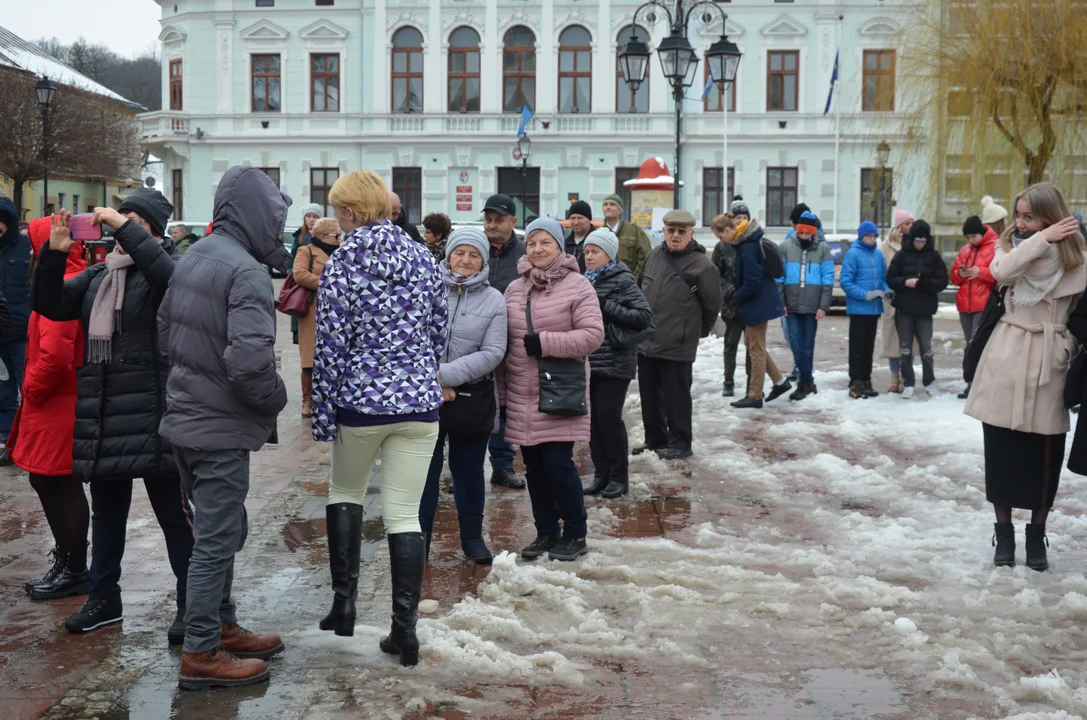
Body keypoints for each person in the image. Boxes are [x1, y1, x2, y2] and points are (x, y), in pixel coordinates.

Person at [33, 192, 195, 645]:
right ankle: (104, 599)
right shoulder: (99, 276)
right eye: (119, 220)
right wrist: (54, 253)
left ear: (156, 231)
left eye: (135, 221)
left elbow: (169, 278)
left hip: (156, 417)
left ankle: (192, 603)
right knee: (107, 516)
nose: (120, 228)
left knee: (175, 516)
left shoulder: (168, 271)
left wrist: (123, 228)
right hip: (104, 418)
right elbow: (49, 303)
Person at [158, 166, 291, 689]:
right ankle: (202, 651)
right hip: (217, 428)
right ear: (259, 215)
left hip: (187, 420)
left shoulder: (195, 255)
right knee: (216, 539)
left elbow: (166, 333)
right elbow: (251, 364)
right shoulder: (247, 272)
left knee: (222, 527)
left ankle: (222, 625)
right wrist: (278, 399)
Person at [312, 170, 447, 667]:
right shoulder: (420, 253)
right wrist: (420, 372)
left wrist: (324, 412)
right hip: (419, 404)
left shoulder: (345, 256)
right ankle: (404, 631)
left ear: (349, 212)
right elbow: (439, 326)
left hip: (361, 403)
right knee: (405, 514)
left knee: (346, 493)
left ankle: (344, 605)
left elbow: (331, 343)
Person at [965, 183, 1085, 571]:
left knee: (1045, 454)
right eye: (1018, 215)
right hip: (1007, 354)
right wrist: (1040, 239)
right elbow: (1000, 271)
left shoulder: (1079, 258)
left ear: (1051, 216)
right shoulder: (1009, 249)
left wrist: (1069, 346)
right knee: (999, 448)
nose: (1020, 223)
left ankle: (1037, 535)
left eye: (1029, 216)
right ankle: (1004, 533)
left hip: (1050, 356)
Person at [502, 217, 603, 560]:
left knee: (558, 464)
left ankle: (576, 532)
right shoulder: (515, 289)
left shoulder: (578, 286)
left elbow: (592, 336)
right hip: (520, 391)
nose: (537, 249)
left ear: (560, 246)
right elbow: (504, 343)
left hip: (559, 391)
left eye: (545, 242)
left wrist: (545, 342)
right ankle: (546, 531)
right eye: (531, 243)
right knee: (532, 467)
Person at [419, 227, 507, 564]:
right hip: (425, 395)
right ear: (448, 255)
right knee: (424, 470)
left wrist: (445, 376)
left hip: (472, 396)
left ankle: (471, 538)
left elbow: (493, 352)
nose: (465, 260)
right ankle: (420, 539)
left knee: (468, 471)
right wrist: (433, 381)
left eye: (473, 254)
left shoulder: (494, 300)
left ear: (483, 259)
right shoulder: (427, 289)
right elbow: (412, 338)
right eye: (459, 252)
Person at [10, 216, 85, 601]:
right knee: (47, 480)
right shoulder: (66, 273)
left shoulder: (63, 279)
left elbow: (56, 355)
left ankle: (73, 568)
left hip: (56, 402)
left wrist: (32, 388)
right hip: (53, 400)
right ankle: (67, 563)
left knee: (58, 481)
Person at [636, 210, 721, 457]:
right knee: (649, 396)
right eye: (670, 230)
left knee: (676, 398)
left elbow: (712, 306)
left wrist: (692, 332)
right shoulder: (653, 256)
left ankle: (681, 443)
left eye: (681, 231)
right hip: (648, 341)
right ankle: (655, 438)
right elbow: (641, 288)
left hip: (678, 343)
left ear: (691, 233)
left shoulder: (702, 265)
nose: (675, 236)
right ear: (663, 232)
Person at [583, 227, 652, 496]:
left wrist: (605, 305)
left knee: (608, 417)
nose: (589, 256)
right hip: (589, 359)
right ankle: (600, 475)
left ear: (609, 255)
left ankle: (619, 478)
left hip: (615, 360)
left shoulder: (622, 279)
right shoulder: (584, 279)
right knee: (593, 421)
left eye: (595, 251)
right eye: (587, 251)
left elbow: (643, 315)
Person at [481, 194, 527, 490]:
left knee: (506, 406)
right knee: (471, 408)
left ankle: (503, 465)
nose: (492, 225)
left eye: (499, 220)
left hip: (511, 340)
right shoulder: (474, 248)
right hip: (473, 342)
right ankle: (467, 467)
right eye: (488, 219)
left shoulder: (524, 254)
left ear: (513, 221)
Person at [731, 215, 791, 408]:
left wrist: (736, 297)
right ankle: (780, 382)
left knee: (755, 348)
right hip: (759, 302)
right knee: (753, 344)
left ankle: (755, 395)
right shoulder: (749, 243)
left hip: (757, 304)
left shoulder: (748, 247)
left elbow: (753, 281)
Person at [886, 220, 949, 398]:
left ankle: (929, 382)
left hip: (925, 310)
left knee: (927, 349)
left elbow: (943, 281)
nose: (920, 244)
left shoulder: (934, 256)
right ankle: (908, 383)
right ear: (911, 238)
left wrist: (927, 284)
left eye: (923, 240)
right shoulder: (901, 256)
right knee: (905, 349)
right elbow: (890, 278)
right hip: (904, 309)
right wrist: (905, 282)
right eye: (917, 240)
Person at [777, 210, 833, 401]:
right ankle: (807, 381)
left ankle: (805, 383)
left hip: (811, 306)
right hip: (791, 306)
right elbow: (779, 278)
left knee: (808, 346)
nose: (804, 237)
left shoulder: (823, 249)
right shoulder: (785, 247)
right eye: (801, 233)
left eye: (807, 233)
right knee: (796, 344)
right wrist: (781, 303)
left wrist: (823, 306)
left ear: (813, 232)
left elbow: (827, 278)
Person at [840, 221, 892, 399]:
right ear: (861, 236)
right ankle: (855, 382)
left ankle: (866, 380)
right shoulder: (852, 254)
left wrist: (886, 291)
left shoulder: (878, 254)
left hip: (874, 309)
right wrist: (866, 295)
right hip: (858, 308)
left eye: (874, 236)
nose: (871, 239)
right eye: (868, 236)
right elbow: (846, 282)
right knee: (857, 348)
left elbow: (883, 279)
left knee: (868, 347)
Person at [293, 217, 339, 418]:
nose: (339, 238)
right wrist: (328, 283)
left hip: (337, 311)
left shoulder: (342, 252)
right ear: (322, 236)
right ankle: (308, 401)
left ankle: (331, 399)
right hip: (313, 311)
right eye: (335, 235)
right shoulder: (306, 251)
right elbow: (299, 274)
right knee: (309, 360)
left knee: (334, 357)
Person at [951, 215, 999, 399]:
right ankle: (971, 383)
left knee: (979, 344)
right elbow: (954, 277)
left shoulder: (995, 247)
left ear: (981, 233)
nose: (971, 240)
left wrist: (981, 273)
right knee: (970, 345)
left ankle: (982, 384)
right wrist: (960, 274)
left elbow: (1000, 273)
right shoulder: (965, 250)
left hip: (984, 305)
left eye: (974, 236)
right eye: (968, 237)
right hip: (965, 305)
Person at [0, 198, 31, 450]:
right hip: (0, 335)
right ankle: (6, 440)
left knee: (29, 389)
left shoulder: (26, 246)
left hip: (23, 333)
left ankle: (31, 440)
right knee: (3, 390)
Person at [880, 209, 915, 393]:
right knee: (893, 340)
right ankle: (894, 377)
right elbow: (882, 272)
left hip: (910, 297)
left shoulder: (917, 243)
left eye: (912, 223)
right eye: (907, 223)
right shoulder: (885, 246)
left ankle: (907, 377)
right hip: (892, 298)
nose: (910, 227)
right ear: (899, 225)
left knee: (909, 340)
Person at [711, 213, 744, 397]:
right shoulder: (720, 248)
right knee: (730, 344)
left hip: (748, 303)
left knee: (753, 347)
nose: (720, 240)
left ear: (726, 230)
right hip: (731, 304)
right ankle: (728, 380)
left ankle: (752, 382)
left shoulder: (745, 244)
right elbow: (716, 273)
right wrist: (729, 290)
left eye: (719, 235)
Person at [290, 204, 323, 346]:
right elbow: (291, 260)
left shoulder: (325, 236)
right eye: (308, 216)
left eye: (314, 216)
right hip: (301, 283)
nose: (311, 219)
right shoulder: (299, 236)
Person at [601, 194, 652, 279]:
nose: (608, 207)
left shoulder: (633, 230)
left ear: (620, 209)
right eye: (605, 205)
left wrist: (633, 280)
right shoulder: (598, 233)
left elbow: (645, 257)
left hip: (627, 284)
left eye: (612, 204)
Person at [563, 200, 593, 271]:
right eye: (573, 218)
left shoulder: (598, 243)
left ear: (589, 219)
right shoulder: (564, 244)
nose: (576, 222)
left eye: (580, 218)